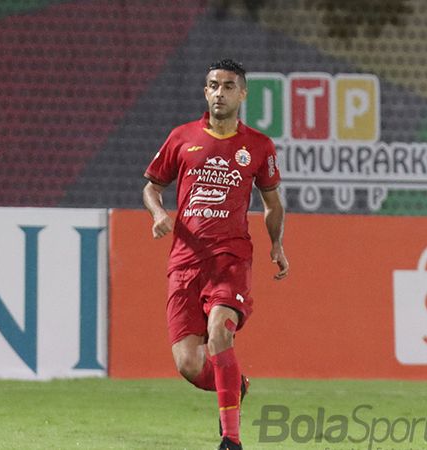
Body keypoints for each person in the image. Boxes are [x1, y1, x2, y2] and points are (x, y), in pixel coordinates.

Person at [142, 58, 289, 450]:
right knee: (190, 364)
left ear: (242, 93)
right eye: (212, 85)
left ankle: (231, 439)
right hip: (185, 261)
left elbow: (273, 204)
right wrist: (159, 213)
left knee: (220, 332)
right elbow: (152, 186)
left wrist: (276, 244)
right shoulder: (181, 137)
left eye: (227, 86)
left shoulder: (258, 146)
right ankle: (234, 383)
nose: (218, 93)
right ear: (205, 92)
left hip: (230, 258)